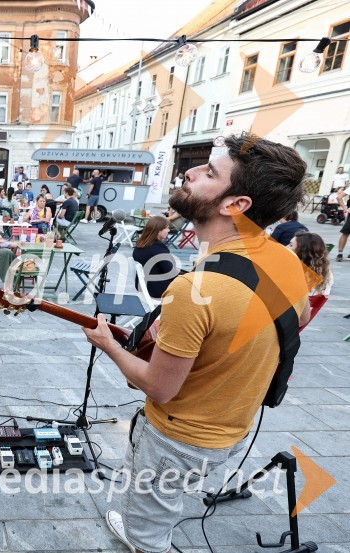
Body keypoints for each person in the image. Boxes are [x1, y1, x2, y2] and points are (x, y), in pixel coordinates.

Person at [83, 133, 311, 553]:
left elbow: (159, 387)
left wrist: (109, 346)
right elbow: (294, 321)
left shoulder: (195, 289)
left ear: (235, 205)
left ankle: (142, 537)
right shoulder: (286, 260)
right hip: (230, 431)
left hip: (176, 439)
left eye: (208, 172)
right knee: (164, 503)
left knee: (149, 530)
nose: (188, 172)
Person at [132, 215, 179, 298]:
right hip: (158, 290)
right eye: (166, 228)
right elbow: (170, 273)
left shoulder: (139, 246)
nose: (168, 230)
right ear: (158, 231)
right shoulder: (158, 248)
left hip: (143, 287)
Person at [288, 231, 332, 295]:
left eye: (290, 245)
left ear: (302, 251)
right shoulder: (326, 272)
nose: (286, 247)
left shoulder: (295, 272)